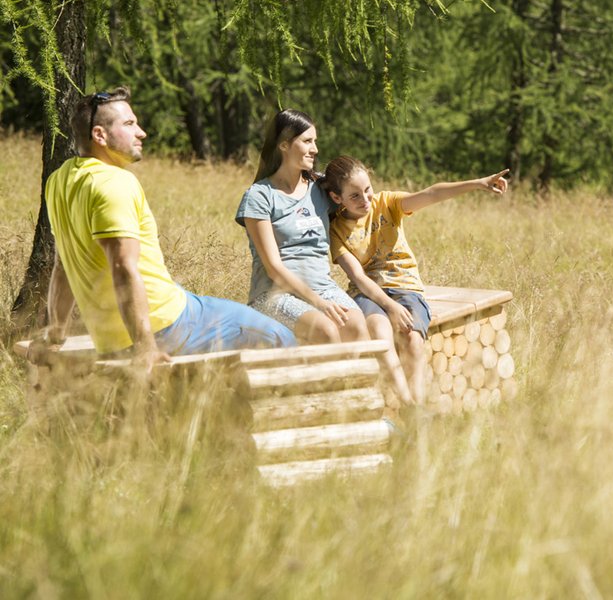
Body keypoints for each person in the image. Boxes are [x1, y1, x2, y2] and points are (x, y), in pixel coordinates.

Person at [35, 86, 297, 371]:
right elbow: (123, 266)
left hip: (116, 335)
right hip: (166, 326)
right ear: (100, 135)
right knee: (281, 336)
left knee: (201, 302)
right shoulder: (114, 184)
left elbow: (64, 264)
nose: (141, 132)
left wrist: (56, 331)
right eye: (129, 124)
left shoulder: (60, 180)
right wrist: (145, 347)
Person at [323, 155, 509, 405]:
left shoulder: (386, 203)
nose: (365, 200)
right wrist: (390, 307)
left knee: (412, 339)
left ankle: (417, 406)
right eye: (354, 196)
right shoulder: (336, 230)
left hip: (404, 285)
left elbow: (432, 193)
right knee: (379, 330)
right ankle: (407, 404)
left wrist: (477, 183)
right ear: (337, 198)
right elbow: (357, 276)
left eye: (368, 190)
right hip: (367, 292)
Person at [235, 110, 387, 369]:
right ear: (283, 144)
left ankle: (356, 402)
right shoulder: (259, 196)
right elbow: (273, 267)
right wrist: (319, 303)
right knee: (326, 329)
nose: (315, 149)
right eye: (307, 141)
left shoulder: (320, 190)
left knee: (355, 323)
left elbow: (359, 196)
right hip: (273, 295)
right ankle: (326, 403)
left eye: (315, 141)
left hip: (323, 288)